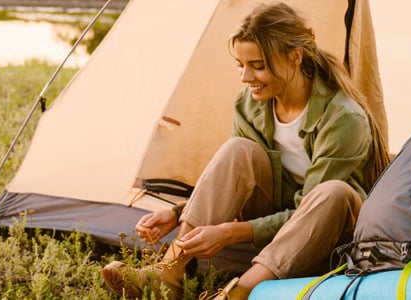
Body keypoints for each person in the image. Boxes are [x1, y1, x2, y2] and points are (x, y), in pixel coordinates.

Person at [100, 2, 390, 299]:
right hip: (273, 227)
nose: (245, 77)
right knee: (238, 149)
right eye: (241, 65)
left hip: (329, 234)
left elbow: (310, 210)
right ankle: (169, 271)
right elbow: (231, 177)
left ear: (295, 57)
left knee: (334, 192)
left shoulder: (344, 119)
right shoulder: (250, 103)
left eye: (258, 66)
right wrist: (178, 214)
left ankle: (238, 294)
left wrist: (230, 233)